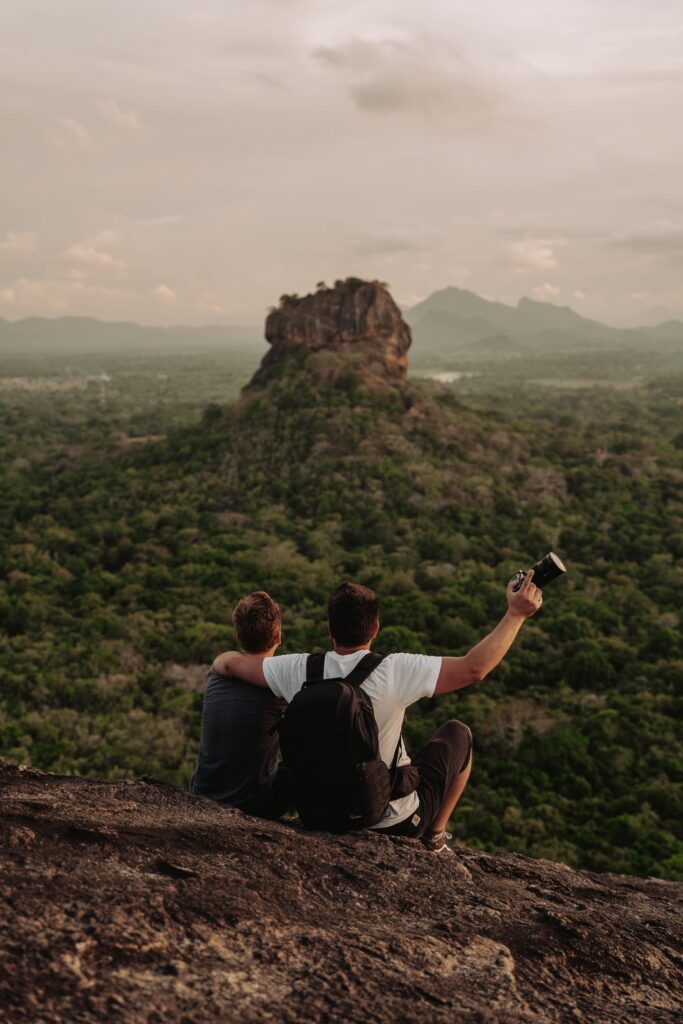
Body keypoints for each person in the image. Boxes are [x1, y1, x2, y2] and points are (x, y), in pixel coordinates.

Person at [212, 572, 542, 851]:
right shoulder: (396, 669)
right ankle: (435, 839)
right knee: (458, 734)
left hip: (320, 814)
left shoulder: (297, 669)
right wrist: (515, 615)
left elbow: (227, 665)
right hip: (392, 823)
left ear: (330, 629)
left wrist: (222, 658)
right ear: (376, 629)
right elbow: (474, 668)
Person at [189, 590, 289, 819]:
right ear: (278, 637)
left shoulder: (218, 671)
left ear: (238, 635)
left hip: (202, 793)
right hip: (254, 806)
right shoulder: (280, 687)